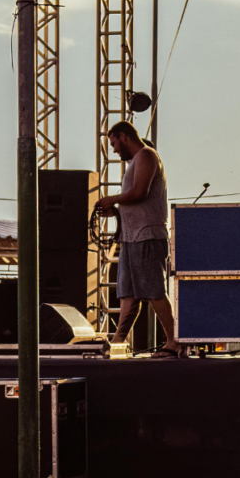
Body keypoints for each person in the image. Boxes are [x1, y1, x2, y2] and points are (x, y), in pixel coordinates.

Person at [95, 120, 181, 358]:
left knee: (153, 290)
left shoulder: (146, 155)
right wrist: (115, 210)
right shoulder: (135, 161)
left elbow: (140, 192)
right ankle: (117, 343)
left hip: (147, 235)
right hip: (131, 238)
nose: (114, 150)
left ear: (124, 137)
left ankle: (174, 342)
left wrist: (112, 199)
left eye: (114, 144)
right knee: (128, 294)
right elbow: (133, 201)